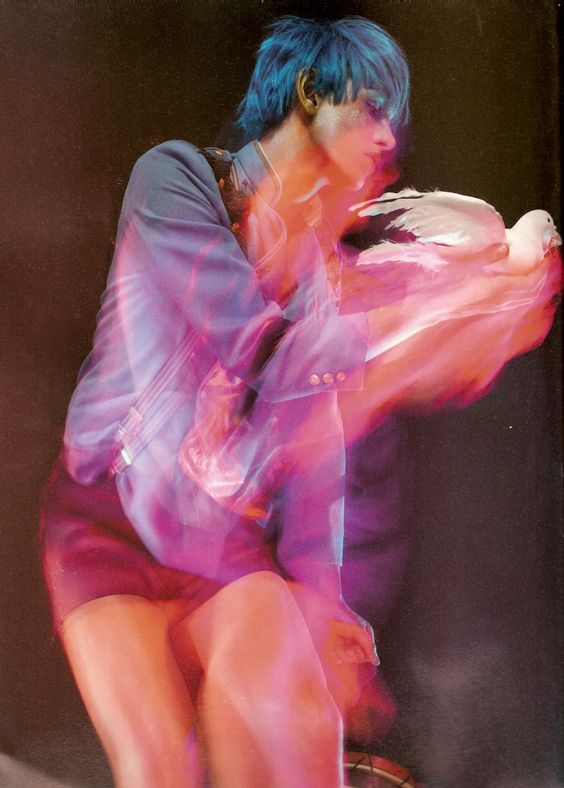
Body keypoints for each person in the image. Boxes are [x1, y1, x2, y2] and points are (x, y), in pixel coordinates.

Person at [41, 15, 559, 788]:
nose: (387, 139)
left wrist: (327, 607)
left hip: (218, 545)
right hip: (105, 521)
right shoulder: (175, 179)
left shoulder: (320, 279)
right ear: (312, 91)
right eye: (373, 108)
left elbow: (318, 455)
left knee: (283, 744)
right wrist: (418, 323)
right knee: (159, 766)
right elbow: (253, 342)